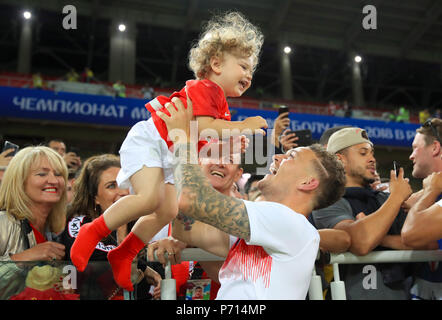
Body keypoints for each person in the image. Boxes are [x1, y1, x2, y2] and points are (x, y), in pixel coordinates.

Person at [70, 11, 268, 292]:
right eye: (244, 66)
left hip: (169, 151)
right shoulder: (204, 88)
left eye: (251, 70)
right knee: (149, 198)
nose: (249, 75)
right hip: (150, 141)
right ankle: (95, 230)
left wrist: (229, 143)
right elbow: (202, 127)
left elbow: (202, 140)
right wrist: (242, 125)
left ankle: (124, 253)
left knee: (168, 210)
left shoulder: (220, 104)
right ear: (216, 64)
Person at [158, 96, 346, 300]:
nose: (276, 157)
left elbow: (190, 201)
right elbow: (186, 228)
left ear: (308, 182)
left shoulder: (289, 222)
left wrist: (183, 139)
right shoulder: (269, 229)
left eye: (290, 157)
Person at [311, 127, 418, 300]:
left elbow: (427, 244)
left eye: (372, 153)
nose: (372, 159)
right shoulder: (326, 202)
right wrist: (396, 197)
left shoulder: (384, 199)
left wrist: (380, 237)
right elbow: (361, 243)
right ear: (340, 160)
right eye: (363, 153)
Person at [59, 154, 162, 299]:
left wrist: (160, 283)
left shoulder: (146, 223)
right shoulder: (80, 223)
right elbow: (90, 254)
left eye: (125, 184)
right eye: (111, 186)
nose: (122, 192)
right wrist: (143, 267)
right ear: (94, 197)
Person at [0, 146, 67, 262]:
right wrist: (22, 258)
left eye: (58, 174)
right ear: (20, 182)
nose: (54, 181)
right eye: (42, 174)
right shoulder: (3, 223)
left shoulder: (58, 234)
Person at [401, 118, 442, 300]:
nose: (411, 156)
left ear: (435, 148)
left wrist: (428, 192)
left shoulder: (431, 192)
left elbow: (411, 234)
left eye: (415, 147)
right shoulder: (429, 193)